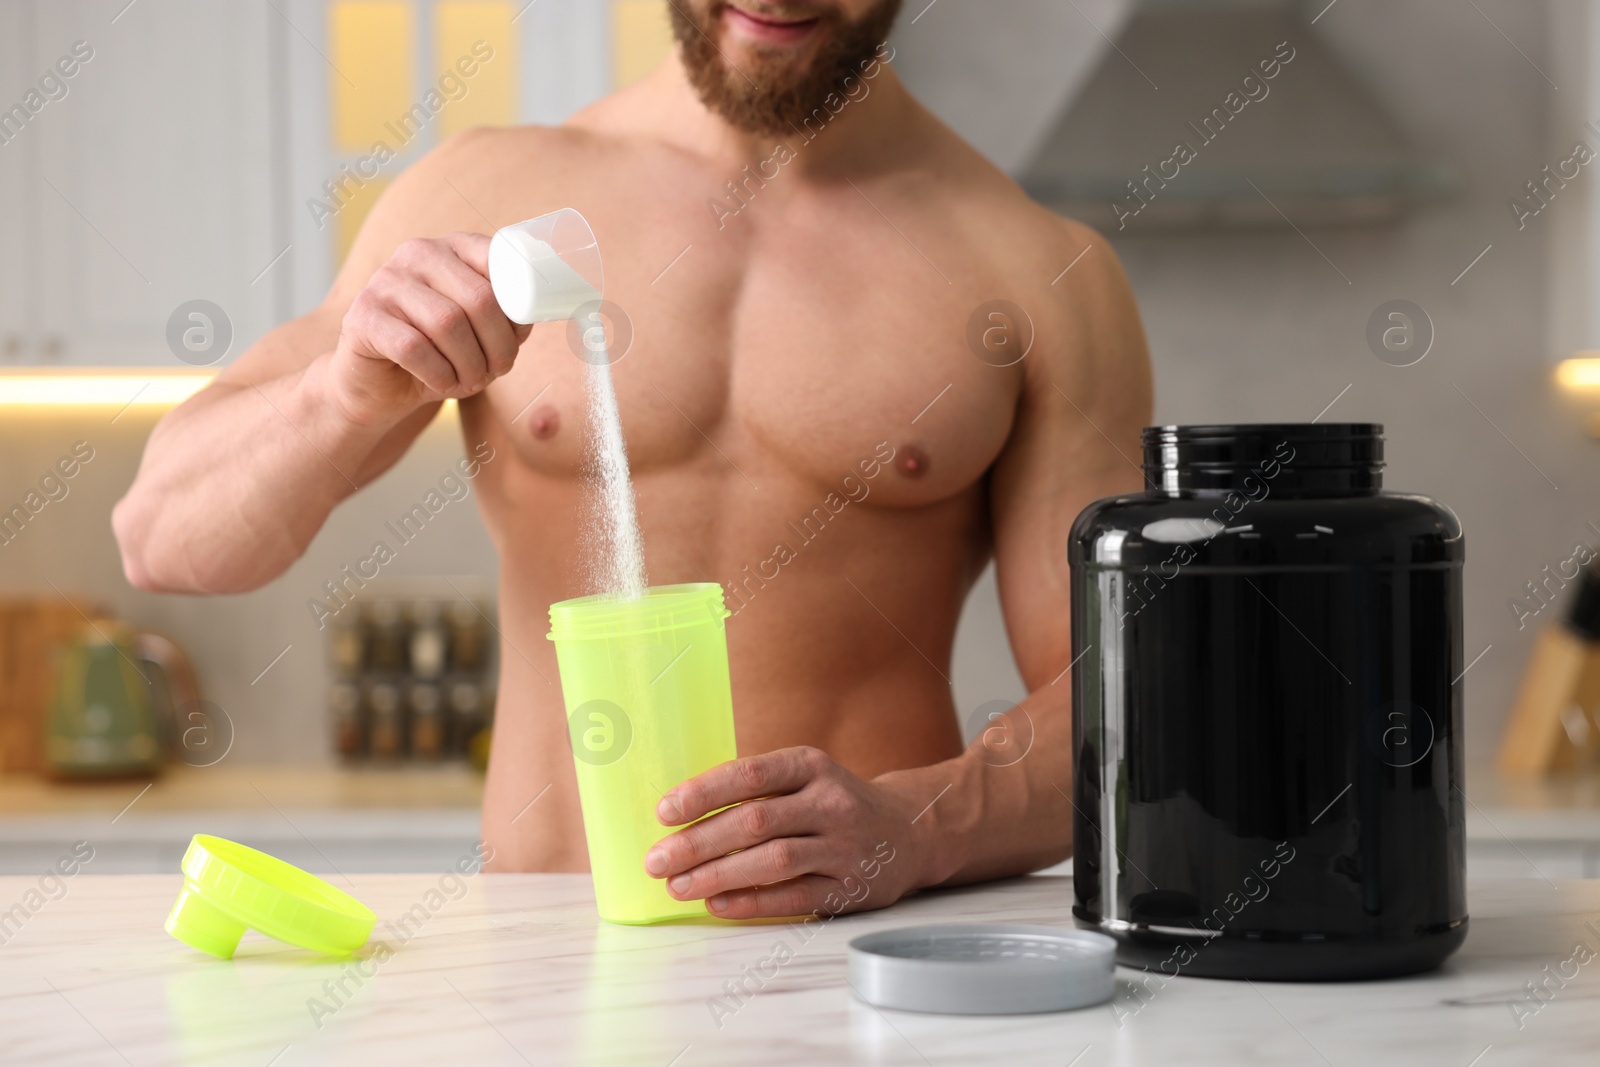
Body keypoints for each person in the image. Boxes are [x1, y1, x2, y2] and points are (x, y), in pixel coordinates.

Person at [113, 0, 1151, 919]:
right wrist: (335, 396)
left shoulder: (1040, 271)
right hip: (553, 953)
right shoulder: (487, 193)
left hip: (855, 956)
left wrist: (919, 828)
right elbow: (164, 538)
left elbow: (1123, 698)